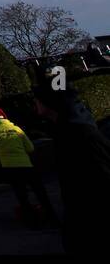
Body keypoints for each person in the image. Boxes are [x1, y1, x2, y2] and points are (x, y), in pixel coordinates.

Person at [33, 87, 110, 253]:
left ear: (50, 103)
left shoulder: (79, 134)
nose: (35, 103)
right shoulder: (65, 130)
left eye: (37, 99)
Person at [0, 107, 57, 226]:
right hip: (26, 164)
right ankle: (52, 217)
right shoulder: (16, 128)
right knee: (40, 192)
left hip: (9, 165)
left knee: (22, 194)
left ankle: (32, 221)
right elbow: (30, 148)